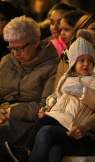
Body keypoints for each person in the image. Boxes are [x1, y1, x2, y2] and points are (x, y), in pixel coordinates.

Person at [22, 13, 95, 162]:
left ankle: (24, 156)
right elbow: (58, 92)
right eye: (93, 28)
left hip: (91, 131)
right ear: (81, 30)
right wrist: (49, 108)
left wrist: (86, 126)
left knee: (47, 132)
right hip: (63, 121)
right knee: (53, 148)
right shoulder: (67, 57)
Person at [5, 29, 95, 162]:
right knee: (53, 147)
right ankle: (26, 151)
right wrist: (51, 103)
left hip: (76, 131)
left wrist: (83, 92)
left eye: (90, 61)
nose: (86, 64)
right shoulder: (67, 79)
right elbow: (59, 96)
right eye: (81, 60)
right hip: (60, 122)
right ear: (73, 62)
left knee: (45, 130)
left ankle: (25, 151)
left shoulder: (94, 80)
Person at [0, 15, 59, 161]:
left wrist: (11, 112)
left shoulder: (53, 66)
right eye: (11, 48)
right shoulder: (6, 61)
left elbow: (47, 106)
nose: (15, 53)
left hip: (30, 122)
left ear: (35, 42)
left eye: (19, 48)